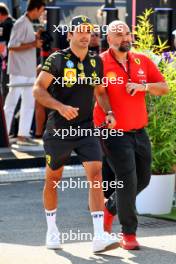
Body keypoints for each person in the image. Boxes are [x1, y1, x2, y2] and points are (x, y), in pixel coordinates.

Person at [33, 16, 119, 252]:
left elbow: (100, 91)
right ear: (69, 35)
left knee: (96, 174)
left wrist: (109, 111)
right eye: (79, 31)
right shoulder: (57, 59)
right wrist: (60, 107)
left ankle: (99, 235)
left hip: (86, 128)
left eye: (88, 31)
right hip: (59, 130)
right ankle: (52, 231)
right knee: (53, 179)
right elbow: (38, 89)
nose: (85, 35)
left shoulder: (95, 62)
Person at [94, 20, 169, 250]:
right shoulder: (99, 62)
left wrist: (143, 86)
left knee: (143, 179)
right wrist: (109, 112)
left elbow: (163, 87)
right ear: (109, 40)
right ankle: (128, 233)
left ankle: (110, 208)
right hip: (113, 131)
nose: (125, 38)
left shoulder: (141, 60)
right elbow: (99, 92)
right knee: (127, 179)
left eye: (127, 33)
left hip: (139, 131)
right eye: (119, 34)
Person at [3, 0, 45, 146]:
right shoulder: (21, 22)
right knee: (11, 103)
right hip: (19, 70)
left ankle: (23, 135)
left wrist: (35, 36)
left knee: (28, 104)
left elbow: (21, 42)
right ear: (36, 9)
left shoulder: (25, 22)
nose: (42, 13)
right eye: (41, 10)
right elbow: (12, 46)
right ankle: (4, 136)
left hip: (27, 71)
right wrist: (33, 44)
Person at [0, 2, 14, 102]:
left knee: (5, 88)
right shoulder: (15, 22)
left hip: (7, 62)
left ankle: (6, 116)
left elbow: (2, 46)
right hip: (16, 63)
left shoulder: (5, 25)